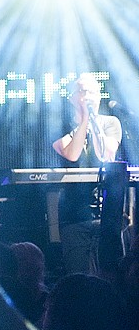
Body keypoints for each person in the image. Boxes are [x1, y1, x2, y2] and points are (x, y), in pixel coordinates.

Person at [51, 73, 123, 276]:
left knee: (110, 275)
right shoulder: (62, 125)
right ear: (72, 97)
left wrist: (94, 122)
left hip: (107, 213)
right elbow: (72, 154)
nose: (87, 96)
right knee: (79, 274)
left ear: (99, 96)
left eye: (92, 92)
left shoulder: (110, 123)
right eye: (82, 91)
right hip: (74, 215)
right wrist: (84, 121)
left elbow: (105, 154)